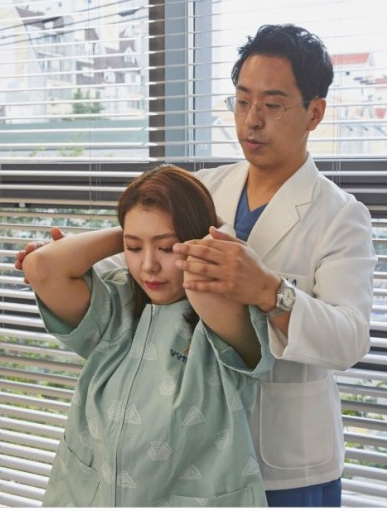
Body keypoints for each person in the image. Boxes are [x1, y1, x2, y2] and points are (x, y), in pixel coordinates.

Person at [17, 23, 376, 507]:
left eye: (272, 105)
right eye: (242, 101)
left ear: (315, 112)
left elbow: (349, 340)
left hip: (287, 460)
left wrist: (269, 292)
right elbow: (140, 272)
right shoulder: (204, 186)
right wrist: (74, 257)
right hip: (193, 455)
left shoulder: (340, 215)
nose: (251, 121)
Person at [20, 165, 273, 507]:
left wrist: (197, 232)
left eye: (166, 248)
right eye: (134, 248)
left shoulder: (225, 318)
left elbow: (204, 285)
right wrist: (135, 228)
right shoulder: (117, 307)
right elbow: (41, 267)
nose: (148, 266)